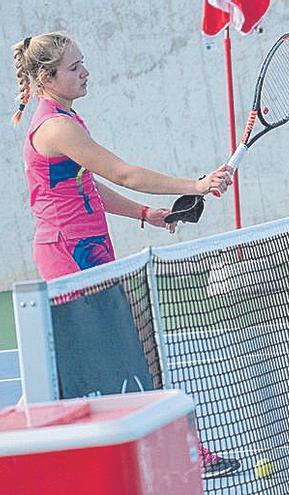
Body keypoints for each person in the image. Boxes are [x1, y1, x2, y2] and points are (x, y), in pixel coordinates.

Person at [12, 32, 240, 476]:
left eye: (83, 62)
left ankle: (167, 444)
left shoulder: (65, 118)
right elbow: (123, 172)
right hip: (68, 255)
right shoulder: (55, 126)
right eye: (74, 67)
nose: (85, 72)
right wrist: (196, 185)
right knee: (97, 354)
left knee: (79, 357)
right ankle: (178, 447)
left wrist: (144, 214)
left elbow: (87, 183)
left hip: (87, 249)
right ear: (47, 76)